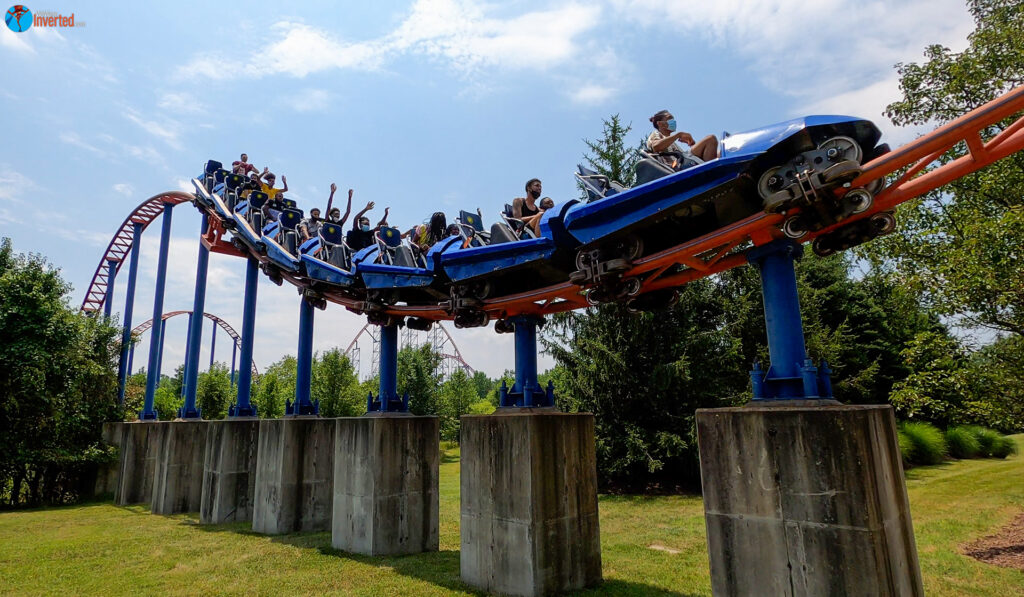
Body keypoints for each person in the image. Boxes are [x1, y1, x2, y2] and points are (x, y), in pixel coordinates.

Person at [646, 109, 718, 164]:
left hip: (682, 162)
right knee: (711, 139)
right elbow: (656, 147)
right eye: (669, 118)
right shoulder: (656, 134)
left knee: (719, 155)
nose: (673, 121)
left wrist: (693, 145)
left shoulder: (672, 143)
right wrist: (679, 135)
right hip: (676, 167)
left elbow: (687, 156)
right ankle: (711, 172)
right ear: (660, 123)